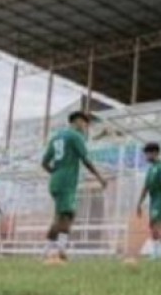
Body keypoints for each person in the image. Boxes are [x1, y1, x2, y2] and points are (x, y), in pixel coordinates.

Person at [41, 111, 108, 264]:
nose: (86, 126)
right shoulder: (75, 136)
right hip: (66, 181)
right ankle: (60, 251)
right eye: (85, 123)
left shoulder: (57, 137)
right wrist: (100, 177)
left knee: (64, 215)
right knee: (66, 216)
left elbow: (44, 163)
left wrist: (56, 173)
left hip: (57, 179)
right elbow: (86, 159)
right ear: (77, 121)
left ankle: (48, 251)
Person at [136, 143, 161, 261]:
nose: (146, 156)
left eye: (147, 153)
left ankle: (159, 253)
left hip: (160, 199)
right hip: (153, 200)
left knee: (156, 225)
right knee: (152, 225)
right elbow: (145, 187)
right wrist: (139, 203)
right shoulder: (151, 169)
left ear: (155, 153)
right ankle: (156, 251)